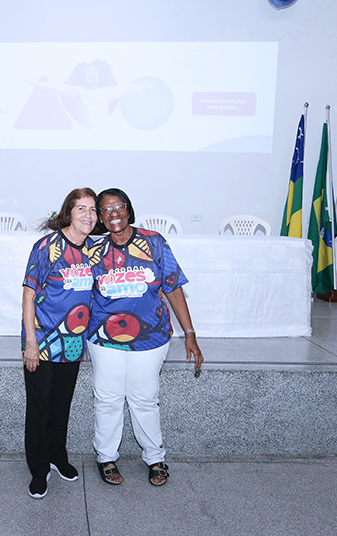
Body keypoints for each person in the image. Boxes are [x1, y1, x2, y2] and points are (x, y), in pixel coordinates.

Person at [88, 188, 202, 487]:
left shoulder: (154, 242)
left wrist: (189, 333)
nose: (113, 214)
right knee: (108, 398)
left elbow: (173, 287)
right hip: (104, 336)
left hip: (151, 336)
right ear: (100, 217)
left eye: (118, 207)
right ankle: (106, 457)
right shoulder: (93, 250)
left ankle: (155, 457)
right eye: (105, 210)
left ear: (129, 209)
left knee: (145, 398)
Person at [21, 188, 98, 499]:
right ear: (68, 213)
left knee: (61, 405)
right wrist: (30, 343)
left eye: (93, 209)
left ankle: (57, 456)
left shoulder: (93, 250)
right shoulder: (47, 246)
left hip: (73, 343)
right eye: (81, 208)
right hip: (42, 342)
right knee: (39, 407)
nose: (88, 215)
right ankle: (38, 469)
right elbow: (28, 295)